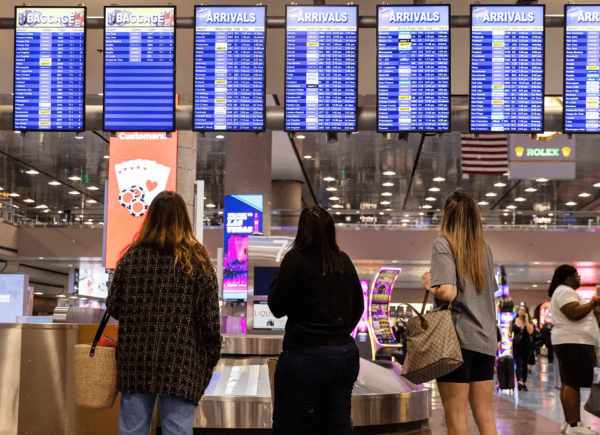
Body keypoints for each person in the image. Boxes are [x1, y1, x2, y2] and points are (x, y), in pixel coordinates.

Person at [106, 191, 222, 435]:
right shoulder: (198, 261)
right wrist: (208, 359)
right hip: (182, 362)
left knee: (132, 430)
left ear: (150, 219)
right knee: (177, 430)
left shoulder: (131, 258)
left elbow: (114, 307)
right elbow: (209, 322)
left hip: (136, 360)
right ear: (184, 221)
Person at [268, 205, 365, 435]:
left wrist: (276, 278)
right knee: (338, 425)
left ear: (302, 231)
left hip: (305, 357)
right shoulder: (344, 261)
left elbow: (276, 307)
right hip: (345, 355)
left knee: (285, 428)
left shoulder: (295, 259)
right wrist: (337, 335)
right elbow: (358, 307)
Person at [421, 191, 499, 435]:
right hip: (485, 341)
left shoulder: (443, 243)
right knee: (485, 418)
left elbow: (447, 291)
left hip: (455, 342)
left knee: (456, 420)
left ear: (448, 216)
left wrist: (430, 283)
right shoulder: (484, 249)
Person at [549, 265, 600, 435]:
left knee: (568, 382)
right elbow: (573, 313)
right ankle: (574, 425)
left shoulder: (563, 291)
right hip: (573, 342)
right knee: (573, 382)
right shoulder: (564, 291)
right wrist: (594, 303)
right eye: (577, 275)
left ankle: (568, 421)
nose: (580, 278)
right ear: (567, 278)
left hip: (572, 341)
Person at [510, 305, 534, 391]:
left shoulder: (529, 322)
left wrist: (527, 319)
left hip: (527, 346)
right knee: (518, 364)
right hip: (517, 345)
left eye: (523, 310)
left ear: (526, 312)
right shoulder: (513, 321)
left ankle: (524, 382)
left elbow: (530, 331)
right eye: (520, 309)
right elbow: (510, 332)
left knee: (524, 365)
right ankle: (519, 381)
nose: (521, 311)